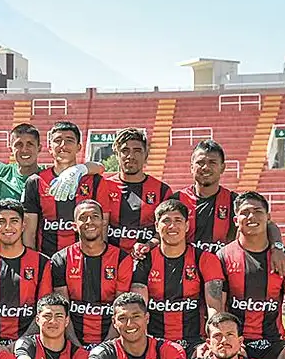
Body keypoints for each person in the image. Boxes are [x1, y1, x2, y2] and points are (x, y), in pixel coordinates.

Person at [166, 140, 285, 278]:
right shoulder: (176, 200)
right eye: (200, 162)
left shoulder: (233, 201)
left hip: (222, 277)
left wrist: (277, 248)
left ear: (222, 168)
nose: (205, 167)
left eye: (212, 162)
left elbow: (268, 225)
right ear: (191, 167)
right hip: (185, 277)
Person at [217, 192, 285, 359]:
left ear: (268, 217)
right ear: (236, 220)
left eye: (258, 211)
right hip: (238, 343)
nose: (251, 216)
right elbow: (219, 307)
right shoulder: (223, 256)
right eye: (245, 212)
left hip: (274, 342)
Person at [124, 199, 225, 351]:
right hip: (155, 343)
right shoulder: (144, 261)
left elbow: (214, 308)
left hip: (196, 343)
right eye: (166, 221)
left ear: (187, 226)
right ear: (157, 226)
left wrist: (212, 342)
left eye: (178, 220)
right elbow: (139, 308)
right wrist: (145, 348)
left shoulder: (205, 259)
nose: (172, 226)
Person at [0, 199, 53, 350]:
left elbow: (43, 312)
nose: (8, 227)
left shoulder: (42, 263)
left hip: (30, 346)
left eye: (14, 221)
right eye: (1, 221)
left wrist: (19, 345)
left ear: (23, 225)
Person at [49, 200, 131, 347]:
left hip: (110, 342)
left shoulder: (121, 259)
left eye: (94, 216)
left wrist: (105, 347)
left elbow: (121, 310)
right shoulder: (61, 259)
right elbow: (63, 311)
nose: (89, 221)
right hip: (72, 343)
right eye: (83, 217)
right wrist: (76, 346)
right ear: (74, 226)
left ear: (103, 222)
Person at [22, 121, 108, 256]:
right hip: (48, 261)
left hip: (84, 262)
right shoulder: (35, 182)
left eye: (69, 140)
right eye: (57, 140)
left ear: (79, 147)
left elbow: (103, 228)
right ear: (50, 148)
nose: (63, 145)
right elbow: (29, 233)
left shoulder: (95, 181)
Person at [102, 128, 173, 253]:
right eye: (125, 150)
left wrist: (149, 245)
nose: (131, 156)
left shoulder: (162, 190)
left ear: (146, 155)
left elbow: (165, 230)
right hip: (111, 263)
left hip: (147, 263)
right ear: (117, 155)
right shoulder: (104, 186)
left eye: (137, 151)